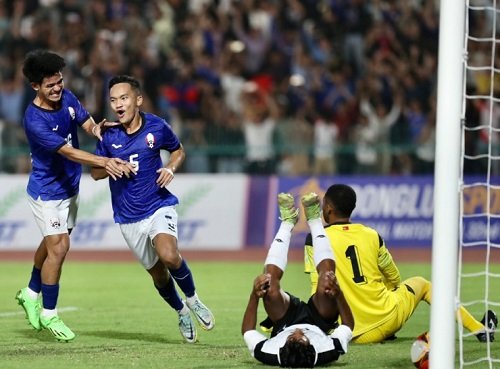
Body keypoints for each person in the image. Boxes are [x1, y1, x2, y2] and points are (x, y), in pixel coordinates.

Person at [15, 49, 134, 342]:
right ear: (35, 87)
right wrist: (104, 162)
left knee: (52, 242)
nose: (57, 88)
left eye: (59, 82)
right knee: (60, 246)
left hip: (70, 188)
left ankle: (31, 293)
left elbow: (87, 123)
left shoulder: (66, 97)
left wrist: (101, 130)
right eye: (49, 85)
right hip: (47, 192)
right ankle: (49, 314)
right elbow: (67, 151)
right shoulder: (34, 120)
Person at [90, 75, 214, 343]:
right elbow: (95, 173)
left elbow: (178, 150)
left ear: (138, 99)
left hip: (158, 205)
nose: (118, 105)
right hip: (128, 217)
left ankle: (193, 300)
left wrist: (170, 167)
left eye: (124, 98)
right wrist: (110, 164)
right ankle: (181, 311)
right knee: (158, 276)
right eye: (113, 100)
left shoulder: (156, 126)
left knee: (169, 255)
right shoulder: (108, 134)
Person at [304, 184, 498, 343]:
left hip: (348, 332)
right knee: (424, 284)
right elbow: (394, 277)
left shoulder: (314, 239)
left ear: (328, 208)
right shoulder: (372, 235)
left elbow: (317, 288)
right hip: (387, 320)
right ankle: (479, 329)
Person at [242, 192, 354, 367]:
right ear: (311, 346)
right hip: (320, 320)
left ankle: (287, 221)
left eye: (290, 338)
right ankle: (314, 219)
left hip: (284, 321)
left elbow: (248, 332)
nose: (297, 331)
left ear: (283, 345)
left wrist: (254, 296)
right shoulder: (326, 350)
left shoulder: (270, 352)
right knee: (327, 280)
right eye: (300, 337)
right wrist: (338, 294)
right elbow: (348, 326)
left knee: (267, 283)